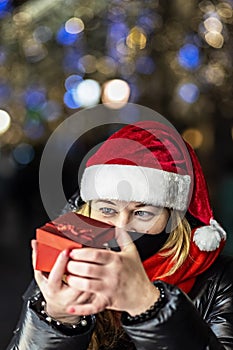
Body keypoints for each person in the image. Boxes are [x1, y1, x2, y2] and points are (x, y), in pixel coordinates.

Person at [7, 120, 233, 350]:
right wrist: (58, 320)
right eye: (107, 210)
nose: (121, 226)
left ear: (172, 219)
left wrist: (149, 306)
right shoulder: (66, 268)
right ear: (87, 210)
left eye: (143, 213)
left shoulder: (219, 282)